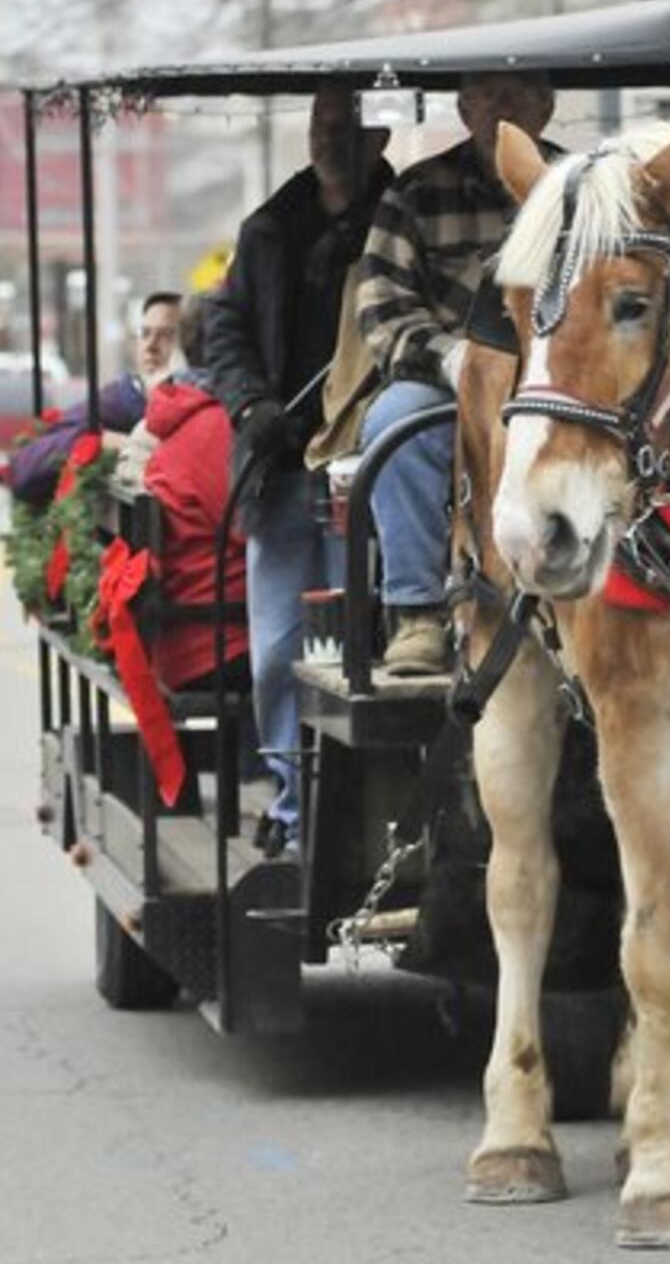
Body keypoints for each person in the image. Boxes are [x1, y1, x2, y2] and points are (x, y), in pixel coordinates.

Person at [207, 86, 394, 858]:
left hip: (369, 471)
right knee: (282, 650)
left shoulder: (397, 220)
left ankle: (366, 812)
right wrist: (254, 407)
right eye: (322, 125)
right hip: (283, 472)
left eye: (345, 127)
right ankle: (293, 810)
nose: (331, 138)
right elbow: (225, 329)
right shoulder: (269, 230)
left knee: (364, 651)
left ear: (373, 138)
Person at [353, 70, 557, 675]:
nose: (504, 107)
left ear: (546, 108)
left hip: (559, 380)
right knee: (396, 421)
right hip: (446, 378)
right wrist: (453, 358)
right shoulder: (417, 192)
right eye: (489, 93)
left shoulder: (573, 189)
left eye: (520, 93)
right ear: (465, 108)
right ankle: (416, 612)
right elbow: (380, 306)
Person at [139, 295, 251, 696]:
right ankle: (271, 760)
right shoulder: (217, 426)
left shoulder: (187, 410)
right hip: (218, 640)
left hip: (191, 634)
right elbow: (252, 529)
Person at [7, 292, 182, 506]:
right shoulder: (116, 402)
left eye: (166, 335)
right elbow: (25, 469)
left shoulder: (202, 412)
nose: (151, 346)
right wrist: (100, 441)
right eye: (145, 334)